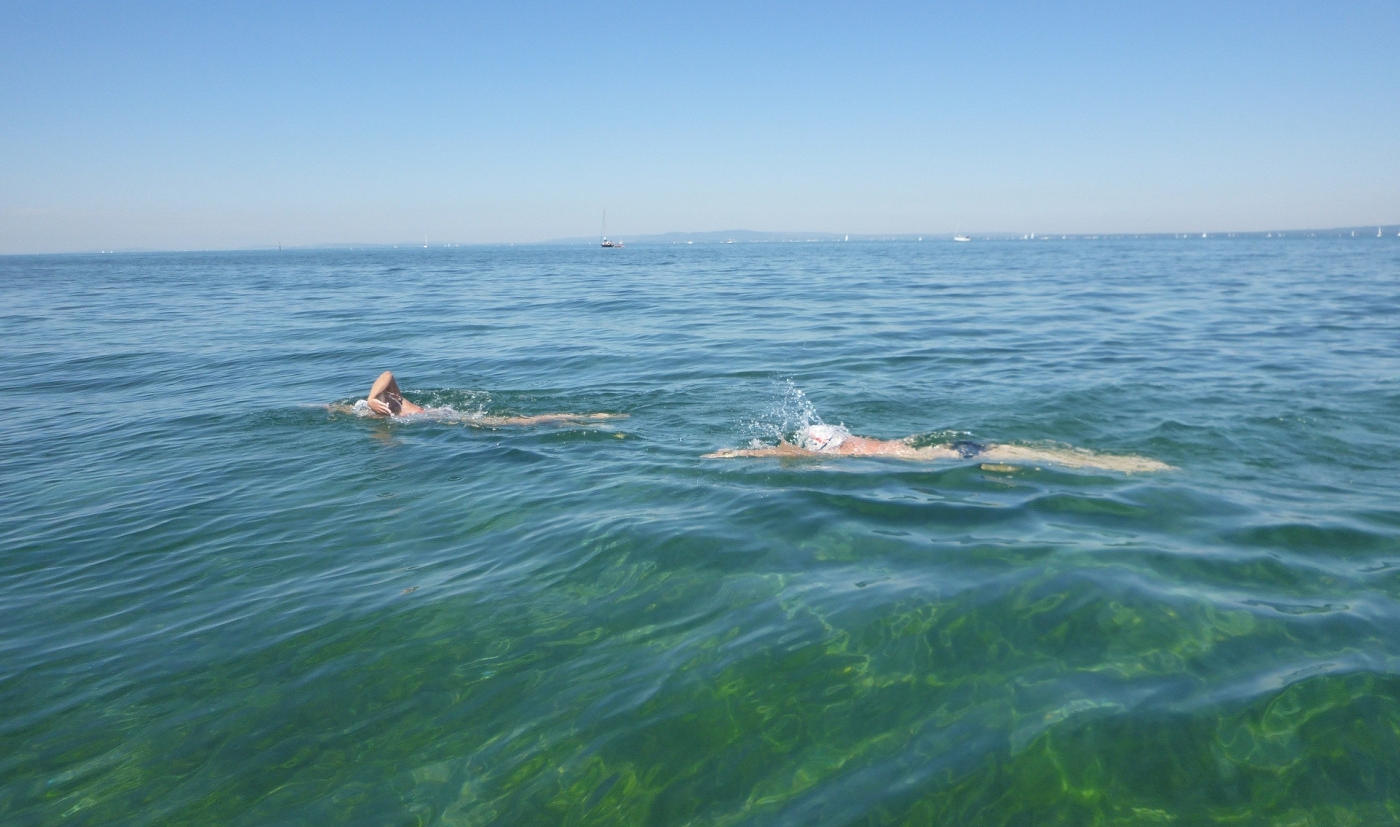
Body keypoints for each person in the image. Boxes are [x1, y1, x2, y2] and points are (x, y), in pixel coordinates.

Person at [703, 423, 1170, 473]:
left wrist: (731, 454)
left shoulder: (841, 456)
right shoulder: (858, 442)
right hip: (949, 444)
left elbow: (779, 453)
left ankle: (1131, 467)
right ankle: (1130, 464)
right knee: (1039, 453)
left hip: (945, 457)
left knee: (1037, 459)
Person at [354, 371, 624, 426]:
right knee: (522, 422)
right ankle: (576, 421)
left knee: (521, 423)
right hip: (447, 419)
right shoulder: (386, 412)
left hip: (451, 418)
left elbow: (387, 373)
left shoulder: (394, 402)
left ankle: (588, 418)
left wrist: (371, 397)